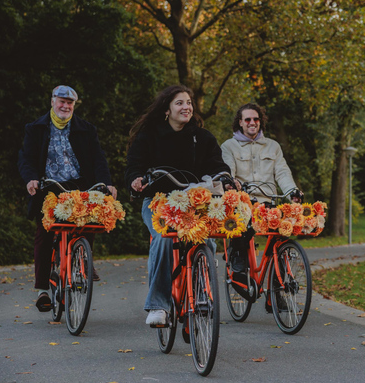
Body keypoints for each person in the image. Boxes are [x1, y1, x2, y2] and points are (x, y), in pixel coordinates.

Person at [125, 84, 231, 326]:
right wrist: (136, 180)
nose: (187, 107)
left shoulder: (202, 137)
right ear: (167, 109)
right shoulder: (148, 136)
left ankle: (202, 293)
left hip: (195, 202)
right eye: (180, 103)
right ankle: (158, 306)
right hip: (158, 202)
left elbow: (217, 164)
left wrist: (225, 176)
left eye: (189, 103)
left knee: (207, 241)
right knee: (164, 239)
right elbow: (134, 166)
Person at [18, 85, 117, 312]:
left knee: (89, 221)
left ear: (74, 105)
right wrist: (31, 179)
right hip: (49, 186)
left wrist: (106, 183)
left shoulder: (86, 129)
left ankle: (83, 259)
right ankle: (43, 288)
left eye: (70, 103)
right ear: (52, 101)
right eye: (61, 101)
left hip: (79, 185)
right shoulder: (35, 128)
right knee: (45, 231)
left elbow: (98, 159)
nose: (65, 106)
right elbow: (26, 158)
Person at [220, 103, 302, 302]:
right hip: (243, 202)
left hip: (268, 201)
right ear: (240, 122)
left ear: (260, 121)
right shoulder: (228, 146)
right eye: (247, 119)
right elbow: (228, 171)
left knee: (281, 235)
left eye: (255, 119)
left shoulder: (273, 146)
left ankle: (277, 290)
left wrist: (292, 191)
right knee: (242, 225)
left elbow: (282, 172)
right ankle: (238, 262)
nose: (252, 123)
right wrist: (232, 183)